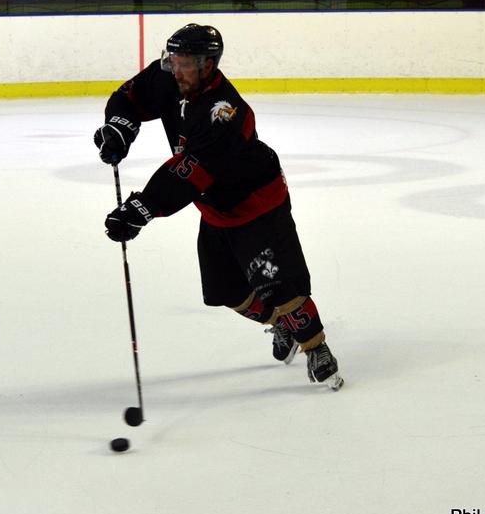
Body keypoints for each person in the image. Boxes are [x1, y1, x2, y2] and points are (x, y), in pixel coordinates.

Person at [95, 23, 343, 390]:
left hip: (257, 204)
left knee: (279, 285)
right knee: (225, 291)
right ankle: (281, 326)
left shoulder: (225, 111)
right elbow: (128, 97)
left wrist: (142, 208)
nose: (174, 69)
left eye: (183, 63)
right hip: (214, 209)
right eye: (172, 60)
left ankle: (316, 347)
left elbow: (191, 171)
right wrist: (119, 127)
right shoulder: (169, 75)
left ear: (207, 64)